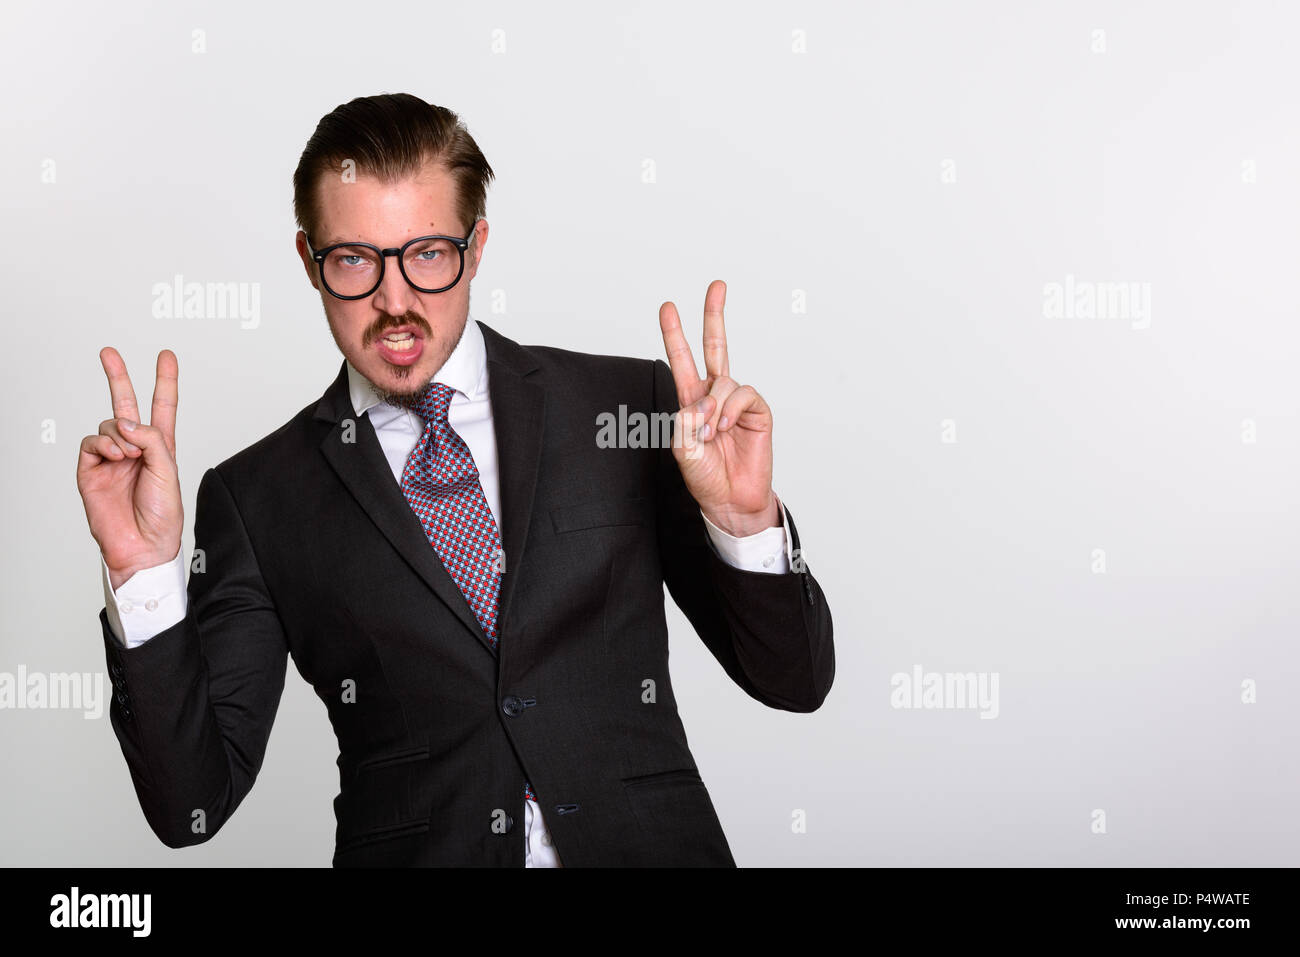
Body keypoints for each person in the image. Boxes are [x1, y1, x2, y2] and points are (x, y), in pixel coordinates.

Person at [76, 93, 834, 867]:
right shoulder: (257, 497)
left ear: (475, 248)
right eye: (354, 260)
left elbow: (795, 682)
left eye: (428, 253)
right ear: (308, 261)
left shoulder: (627, 410)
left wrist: (747, 524)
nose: (394, 300)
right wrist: (144, 577)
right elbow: (190, 807)